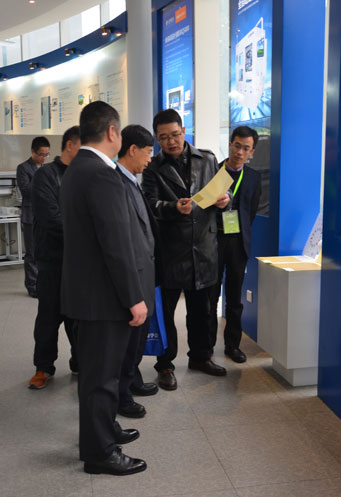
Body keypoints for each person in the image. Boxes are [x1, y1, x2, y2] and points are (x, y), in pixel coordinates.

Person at [61, 102, 148, 476]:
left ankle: (105, 429)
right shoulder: (101, 174)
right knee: (100, 379)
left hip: (88, 292)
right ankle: (100, 453)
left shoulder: (78, 168)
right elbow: (116, 244)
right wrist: (134, 297)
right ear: (112, 132)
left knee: (102, 374)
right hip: (103, 297)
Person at [142, 109, 230, 390]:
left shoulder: (208, 159)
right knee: (166, 313)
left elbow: (223, 192)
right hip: (171, 250)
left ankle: (201, 357)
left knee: (203, 310)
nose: (171, 142)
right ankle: (165, 365)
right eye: (164, 138)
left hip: (204, 247)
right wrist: (172, 207)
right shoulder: (152, 168)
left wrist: (225, 200)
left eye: (175, 135)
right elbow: (148, 205)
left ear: (183, 130)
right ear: (157, 139)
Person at [27, 126, 81, 390]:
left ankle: (80, 361)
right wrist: (86, 234)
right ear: (70, 145)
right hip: (53, 258)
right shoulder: (46, 175)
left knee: (79, 317)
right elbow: (51, 218)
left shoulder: (85, 174)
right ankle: (43, 367)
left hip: (80, 261)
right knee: (49, 316)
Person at [116, 124, 160, 419]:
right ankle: (122, 396)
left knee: (137, 339)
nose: (149, 159)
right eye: (147, 152)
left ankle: (132, 380)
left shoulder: (131, 180)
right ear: (132, 150)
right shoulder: (116, 182)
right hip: (133, 276)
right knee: (127, 342)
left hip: (145, 272)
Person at [209, 126, 262, 363]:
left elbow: (251, 211)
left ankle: (232, 345)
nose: (240, 152)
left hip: (238, 243)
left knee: (234, 298)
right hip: (213, 241)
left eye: (246, 148)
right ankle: (207, 346)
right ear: (230, 144)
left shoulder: (253, 177)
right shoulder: (214, 171)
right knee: (210, 297)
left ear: (252, 152)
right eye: (237, 146)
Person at [17, 136, 50, 298]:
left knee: (44, 252)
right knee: (32, 253)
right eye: (41, 154)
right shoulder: (23, 168)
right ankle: (32, 285)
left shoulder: (48, 168)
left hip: (46, 216)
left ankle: (43, 283)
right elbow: (26, 190)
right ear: (33, 152)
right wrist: (44, 185)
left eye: (46, 155)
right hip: (30, 216)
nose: (43, 158)